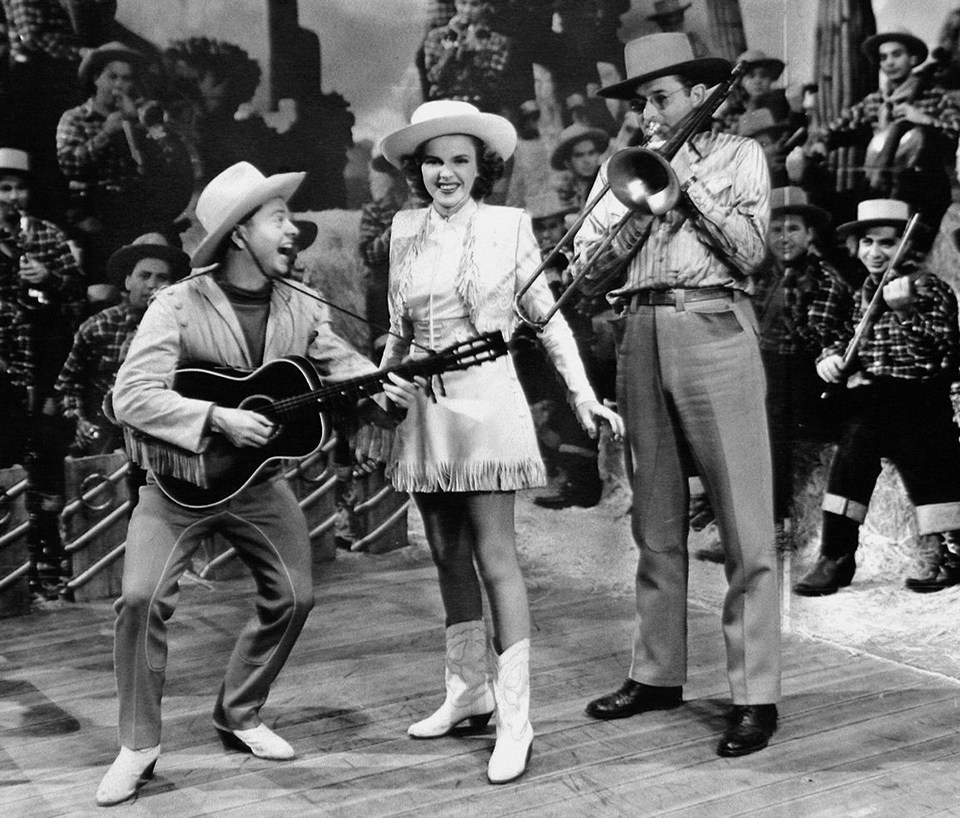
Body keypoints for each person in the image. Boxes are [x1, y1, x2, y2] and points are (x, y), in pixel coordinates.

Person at [94, 161, 415, 806]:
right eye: (277, 218)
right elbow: (127, 396)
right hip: (177, 485)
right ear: (239, 234)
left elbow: (339, 364)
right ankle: (138, 745)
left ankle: (240, 712)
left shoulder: (300, 303)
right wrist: (216, 417)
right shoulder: (176, 304)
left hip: (260, 486)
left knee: (294, 598)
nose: (293, 229)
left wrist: (384, 393)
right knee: (139, 600)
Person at [378, 99, 622, 784]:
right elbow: (398, 329)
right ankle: (468, 690)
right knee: (447, 555)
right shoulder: (402, 230)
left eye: (459, 160)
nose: (446, 172)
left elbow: (547, 320)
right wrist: (384, 383)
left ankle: (516, 719)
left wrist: (581, 394)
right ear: (417, 168)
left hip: (487, 404)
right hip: (424, 410)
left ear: (480, 166)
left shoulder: (509, 225)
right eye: (434, 160)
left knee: (494, 559)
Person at [576, 33, 780, 758]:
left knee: (746, 523)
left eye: (659, 99)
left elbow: (753, 253)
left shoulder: (742, 155)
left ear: (701, 95)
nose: (648, 114)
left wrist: (682, 190)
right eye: (640, 102)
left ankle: (754, 695)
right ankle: (657, 674)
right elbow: (591, 271)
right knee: (653, 519)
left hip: (714, 324)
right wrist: (636, 202)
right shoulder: (620, 165)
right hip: (639, 329)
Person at [793, 198, 960, 597]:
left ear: (907, 245)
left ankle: (943, 548)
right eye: (867, 242)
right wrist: (829, 358)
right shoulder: (862, 293)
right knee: (854, 446)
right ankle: (835, 554)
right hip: (877, 397)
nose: (875, 252)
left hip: (922, 394)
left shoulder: (929, 289)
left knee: (920, 443)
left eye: (887, 242)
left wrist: (906, 313)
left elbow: (942, 355)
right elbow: (847, 339)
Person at [0, 146, 85, 602]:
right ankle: (12, 564)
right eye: (4, 188)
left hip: (46, 360)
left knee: (50, 457)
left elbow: (75, 299)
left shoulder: (48, 236)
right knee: (10, 460)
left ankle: (51, 559)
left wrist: (49, 277)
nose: (13, 197)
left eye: (18, 188)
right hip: (4, 370)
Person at [56, 41, 193, 301]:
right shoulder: (75, 118)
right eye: (112, 76)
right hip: (95, 209)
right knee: (104, 287)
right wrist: (106, 133)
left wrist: (145, 128)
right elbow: (69, 165)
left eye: (127, 78)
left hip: (136, 208)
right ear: (96, 79)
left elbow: (168, 164)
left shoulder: (138, 118)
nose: (120, 85)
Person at [752, 187, 848, 530]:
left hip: (805, 375)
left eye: (793, 229)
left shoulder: (824, 279)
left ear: (810, 235)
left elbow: (818, 339)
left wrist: (790, 301)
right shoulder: (759, 274)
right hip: (763, 365)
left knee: (769, 424)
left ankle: (773, 521)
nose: (784, 238)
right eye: (776, 230)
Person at [809, 29, 960, 235]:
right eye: (883, 58)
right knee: (829, 216)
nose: (889, 62)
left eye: (897, 55)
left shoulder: (935, 97)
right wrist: (823, 141)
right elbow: (836, 126)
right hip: (879, 185)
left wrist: (924, 119)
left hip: (923, 191)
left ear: (913, 59)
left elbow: (956, 131)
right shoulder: (875, 101)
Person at [55, 233, 190, 459]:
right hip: (108, 432)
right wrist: (81, 421)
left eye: (161, 277)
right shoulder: (98, 326)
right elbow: (68, 384)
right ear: (128, 281)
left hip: (161, 435)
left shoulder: (186, 329)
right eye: (144, 276)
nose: (152, 285)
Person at [421, 0, 511, 113]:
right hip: (443, 105)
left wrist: (475, 52)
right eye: (463, 3)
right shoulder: (437, 36)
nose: (467, 10)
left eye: (474, 4)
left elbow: (491, 84)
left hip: (480, 107)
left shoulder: (498, 40)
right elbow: (434, 77)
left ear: (485, 6)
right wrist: (450, 52)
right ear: (455, 3)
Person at [550, 122, 609, 213]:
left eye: (591, 153)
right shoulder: (563, 193)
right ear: (567, 162)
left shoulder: (608, 183)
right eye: (579, 155)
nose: (587, 161)